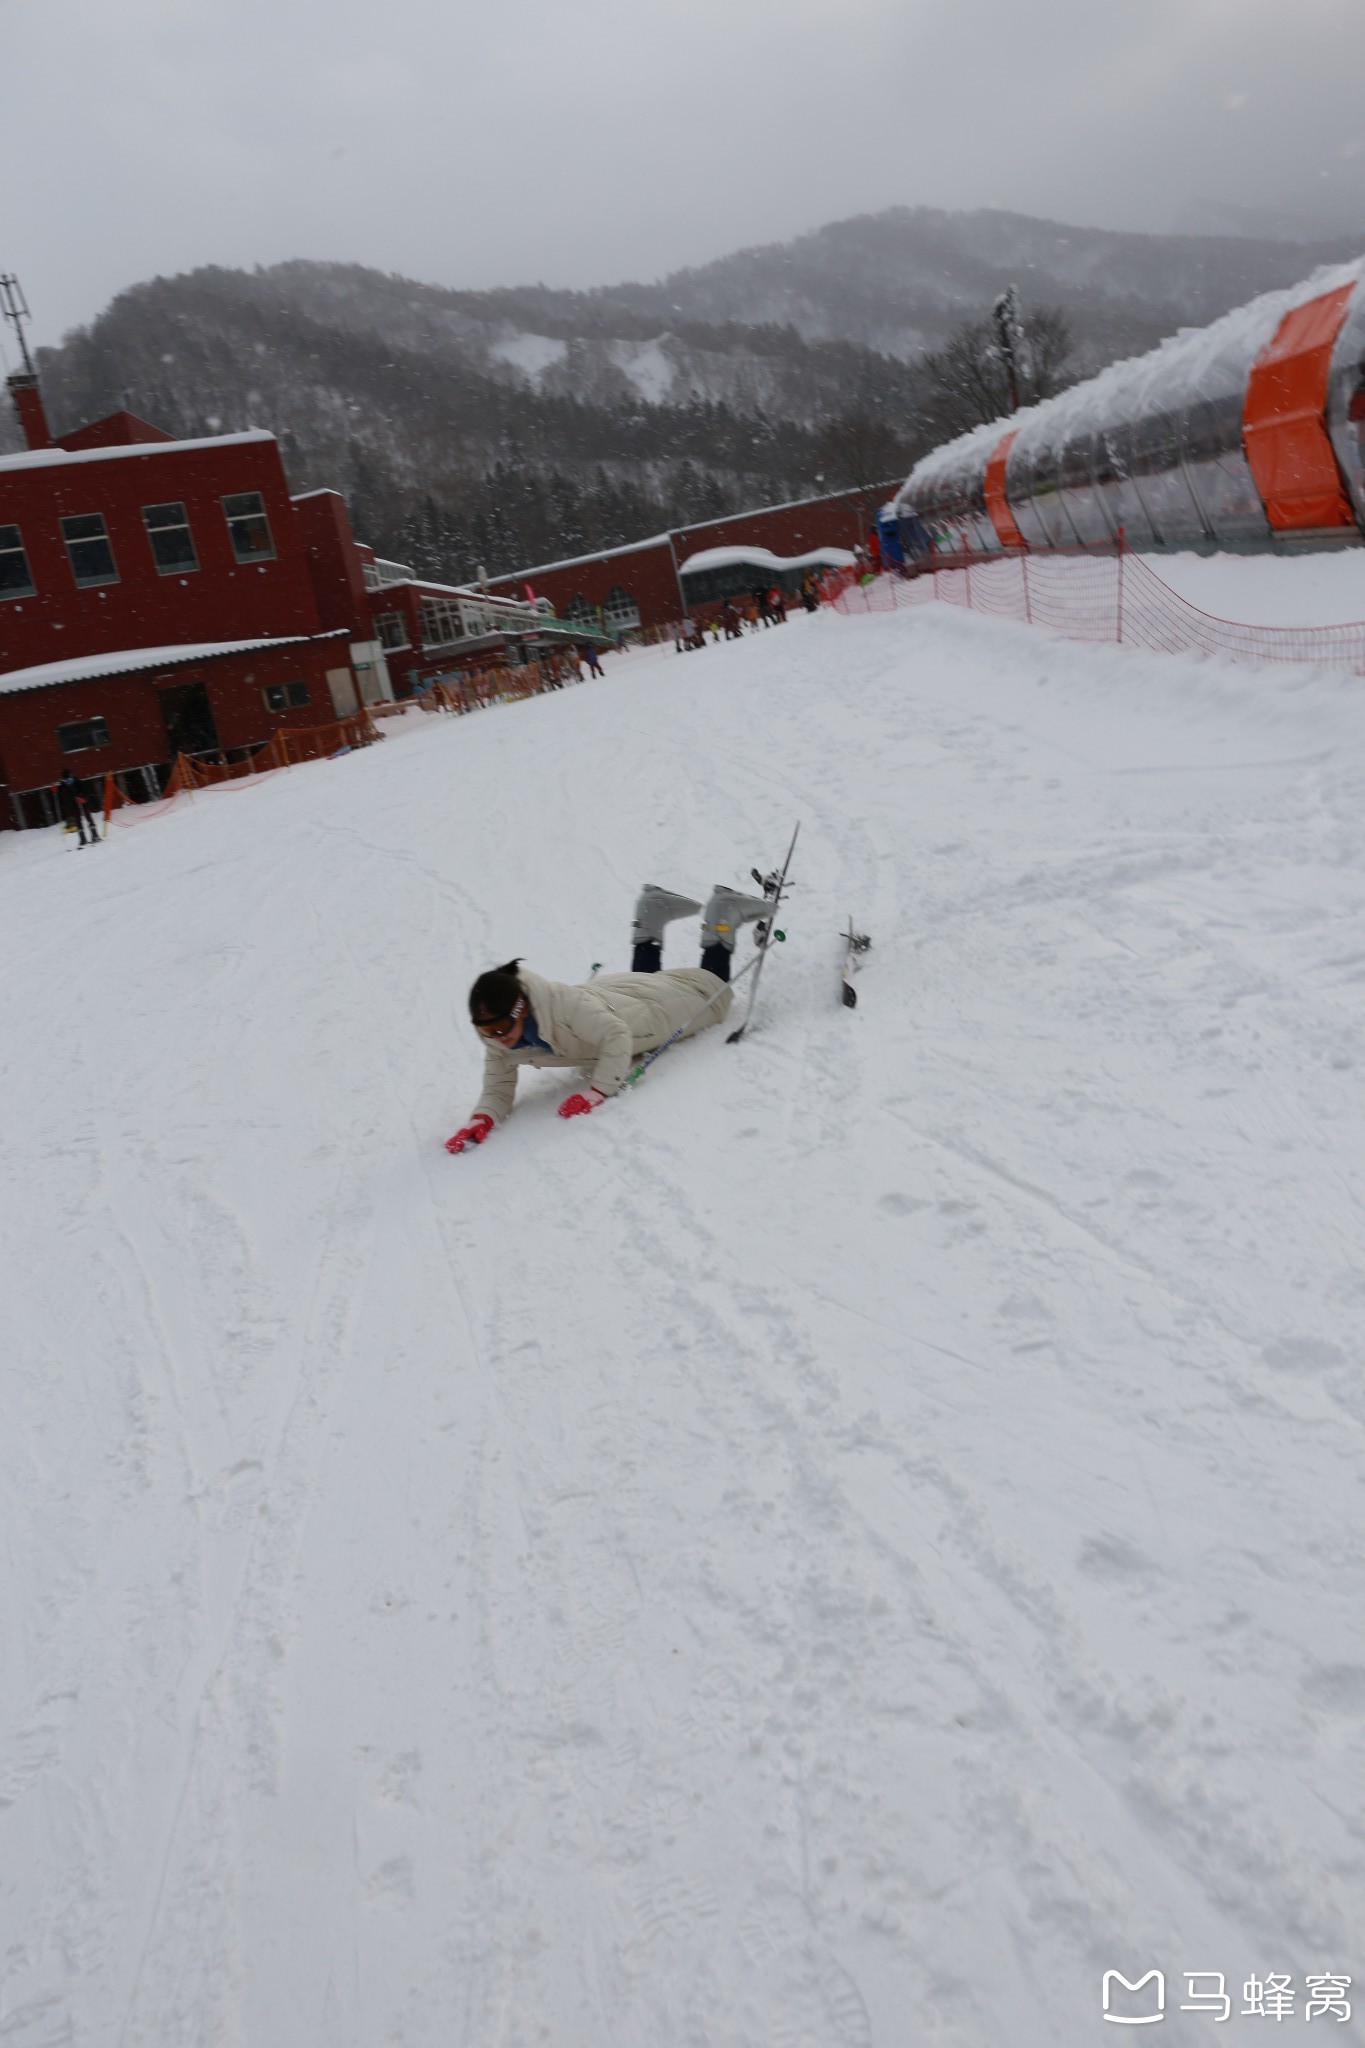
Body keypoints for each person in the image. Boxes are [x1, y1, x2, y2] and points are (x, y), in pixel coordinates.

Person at [445, 880, 774, 1150]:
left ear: (521, 1008)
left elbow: (616, 1036)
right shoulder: (502, 1041)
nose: (499, 1037)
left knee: (710, 996)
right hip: (616, 997)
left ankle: (723, 915)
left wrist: (599, 1090)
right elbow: (498, 1084)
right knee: (651, 984)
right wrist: (482, 1118)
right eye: (487, 1031)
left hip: (642, 1018)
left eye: (502, 1026)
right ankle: (651, 915)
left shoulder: (562, 1007)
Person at [56, 768, 99, 846]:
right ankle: (83, 839)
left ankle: (95, 835)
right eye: (65, 779)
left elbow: (86, 791)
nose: (67, 781)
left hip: (82, 801)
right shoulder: (63, 785)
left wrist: (83, 798)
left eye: (68, 778)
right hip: (73, 804)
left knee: (88, 816)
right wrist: (56, 790)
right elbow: (61, 795)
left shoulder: (77, 781)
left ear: (71, 776)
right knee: (78, 820)